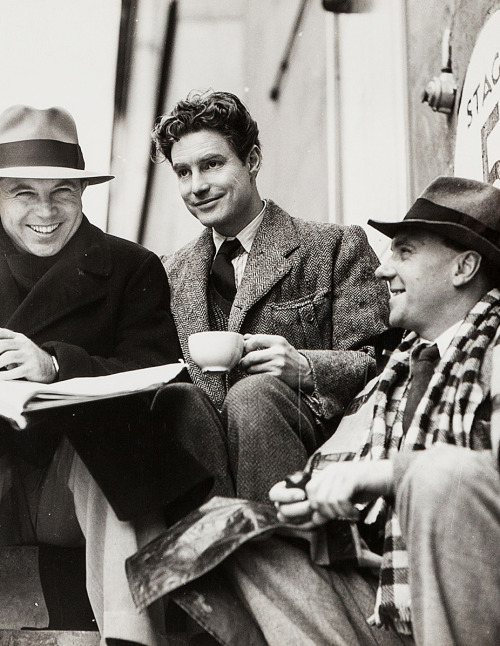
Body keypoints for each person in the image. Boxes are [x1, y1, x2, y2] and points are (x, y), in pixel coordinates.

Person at [157, 176, 500, 646]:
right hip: (387, 597)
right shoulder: (399, 369)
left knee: (442, 478)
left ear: (464, 267)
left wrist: (384, 476)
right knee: (226, 540)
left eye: (404, 252)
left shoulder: (494, 352)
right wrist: (305, 493)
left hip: (474, 601)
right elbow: (336, 461)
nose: (383, 270)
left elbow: (475, 483)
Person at [0, 105, 213, 646]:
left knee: (106, 434)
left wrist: (56, 365)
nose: (45, 210)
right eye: (24, 192)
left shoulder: (128, 267)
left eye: (62, 192)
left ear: (83, 194)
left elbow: (157, 371)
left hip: (69, 494)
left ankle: (129, 637)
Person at [151, 90, 390, 502]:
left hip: (313, 455)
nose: (198, 186)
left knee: (254, 394)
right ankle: (214, 553)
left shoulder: (333, 246)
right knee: (178, 400)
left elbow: (381, 366)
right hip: (211, 466)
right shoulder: (168, 274)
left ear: (253, 161)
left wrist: (306, 366)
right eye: (183, 172)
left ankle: (278, 557)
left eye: (212, 164)